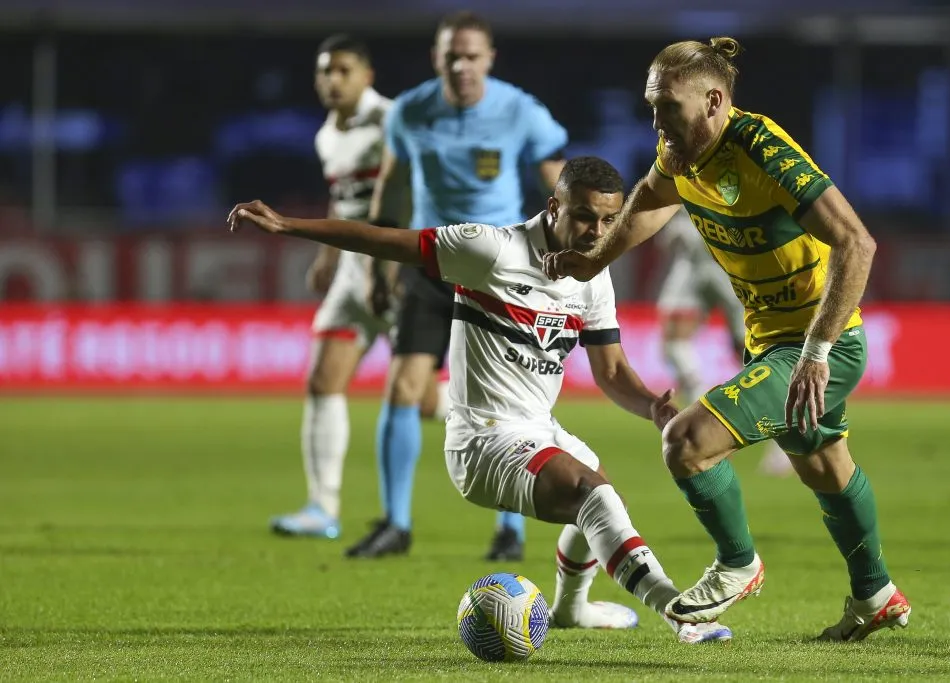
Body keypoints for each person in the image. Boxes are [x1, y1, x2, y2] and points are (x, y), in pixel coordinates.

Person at [228, 156, 733, 645]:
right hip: (483, 440)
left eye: (608, 220)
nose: (597, 232)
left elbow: (613, 369)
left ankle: (571, 609)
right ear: (554, 207)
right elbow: (384, 241)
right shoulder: (491, 250)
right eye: (583, 216)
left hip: (538, 427)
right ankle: (677, 611)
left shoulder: (592, 276)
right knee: (593, 497)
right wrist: (288, 226)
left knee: (603, 496)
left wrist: (651, 406)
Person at [542, 38, 911, 641]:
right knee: (824, 465)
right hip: (770, 344)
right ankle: (876, 594)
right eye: (652, 106)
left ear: (714, 101)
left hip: (819, 346)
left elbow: (857, 243)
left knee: (686, 441)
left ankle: (738, 563)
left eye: (669, 108)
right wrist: (590, 261)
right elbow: (648, 204)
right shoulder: (680, 155)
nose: (657, 121)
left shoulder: (761, 148)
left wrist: (816, 351)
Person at [352, 11, 570, 560]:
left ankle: (510, 532)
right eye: (452, 56)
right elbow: (392, 190)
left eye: (472, 56)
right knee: (403, 387)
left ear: (489, 59)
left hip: (497, 272)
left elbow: (560, 188)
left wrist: (570, 246)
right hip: (430, 267)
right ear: (437, 58)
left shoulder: (520, 111)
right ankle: (396, 524)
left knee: (505, 402)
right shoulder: (409, 112)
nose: (461, 66)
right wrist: (378, 268)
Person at [269, 35, 449, 540]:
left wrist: (394, 264)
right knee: (323, 379)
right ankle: (322, 508)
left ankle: (502, 420)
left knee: (424, 401)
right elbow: (342, 200)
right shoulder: (328, 135)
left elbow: (410, 193)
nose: (332, 81)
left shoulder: (393, 120)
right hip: (352, 270)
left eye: (343, 70)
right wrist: (327, 256)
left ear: (367, 76)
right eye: (325, 71)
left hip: (395, 265)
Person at [656, 209, 792, 476]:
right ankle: (703, 420)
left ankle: (785, 436)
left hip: (730, 261)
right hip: (692, 264)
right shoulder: (675, 173)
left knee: (753, 354)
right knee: (673, 342)